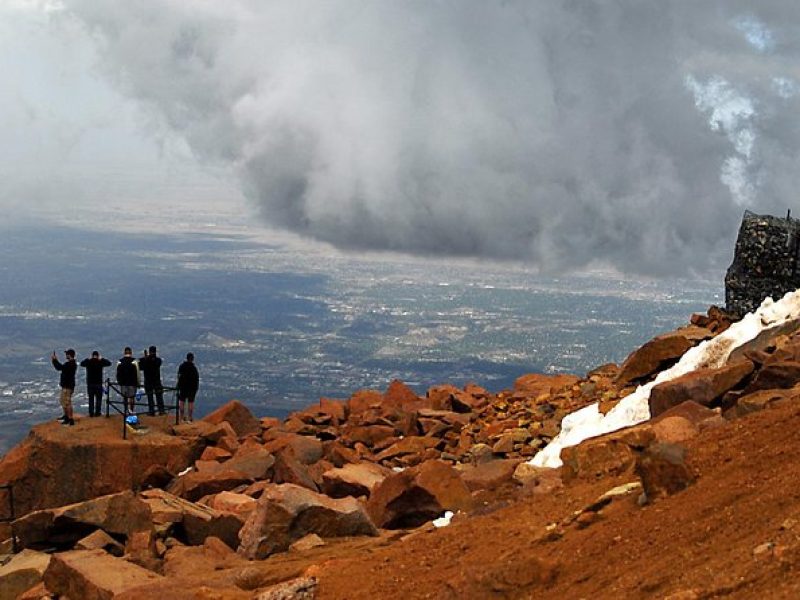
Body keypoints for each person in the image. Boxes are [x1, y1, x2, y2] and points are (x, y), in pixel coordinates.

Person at [80, 350, 112, 417]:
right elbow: (109, 363)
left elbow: (81, 363)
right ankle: (98, 413)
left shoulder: (89, 362)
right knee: (98, 398)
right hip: (98, 383)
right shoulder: (100, 362)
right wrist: (102, 359)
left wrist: (88, 359)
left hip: (90, 383)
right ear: (98, 356)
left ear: (92, 355)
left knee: (91, 399)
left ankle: (91, 413)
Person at [51, 348, 77, 426]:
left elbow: (59, 368)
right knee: (63, 401)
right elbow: (60, 368)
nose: (66, 356)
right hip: (66, 386)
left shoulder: (70, 364)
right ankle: (66, 416)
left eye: (67, 354)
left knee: (67, 403)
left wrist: (54, 360)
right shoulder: (71, 364)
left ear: (69, 355)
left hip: (67, 387)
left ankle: (70, 419)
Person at [139, 345, 164, 416]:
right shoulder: (158, 360)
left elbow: (140, 367)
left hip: (148, 381)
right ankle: (161, 411)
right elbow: (157, 364)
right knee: (159, 396)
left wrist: (146, 357)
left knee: (150, 397)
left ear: (149, 352)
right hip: (157, 381)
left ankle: (151, 411)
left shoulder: (145, 360)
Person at [176, 352, 199, 422]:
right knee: (191, 403)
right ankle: (190, 418)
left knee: (182, 402)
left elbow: (179, 375)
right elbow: (196, 379)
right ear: (192, 359)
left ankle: (181, 417)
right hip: (191, 388)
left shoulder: (182, 366)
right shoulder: (194, 368)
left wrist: (179, 385)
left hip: (183, 387)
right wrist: (196, 388)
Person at [116, 347, 140, 412]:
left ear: (124, 353)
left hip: (123, 383)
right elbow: (137, 373)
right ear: (131, 353)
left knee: (125, 397)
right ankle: (131, 411)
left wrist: (119, 381)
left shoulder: (120, 362)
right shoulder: (134, 361)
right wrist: (138, 383)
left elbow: (118, 373)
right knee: (132, 397)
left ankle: (126, 410)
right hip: (132, 382)